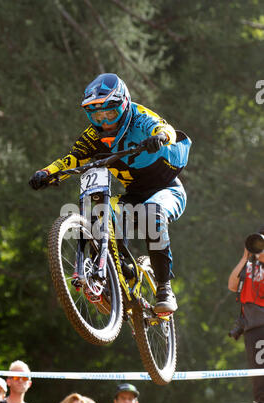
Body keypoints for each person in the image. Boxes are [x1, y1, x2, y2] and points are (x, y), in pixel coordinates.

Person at [29, 73, 192, 314]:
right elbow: (71, 159)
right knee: (100, 213)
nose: (105, 121)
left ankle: (164, 287)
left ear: (124, 105)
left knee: (151, 213)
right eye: (97, 115)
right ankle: (113, 275)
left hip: (167, 190)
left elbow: (163, 127)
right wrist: (46, 173)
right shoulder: (94, 136)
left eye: (111, 113)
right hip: (132, 194)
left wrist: (159, 137)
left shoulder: (140, 117)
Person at [228, 224, 264, 403]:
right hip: (254, 328)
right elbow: (232, 285)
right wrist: (245, 256)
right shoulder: (249, 265)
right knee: (260, 376)